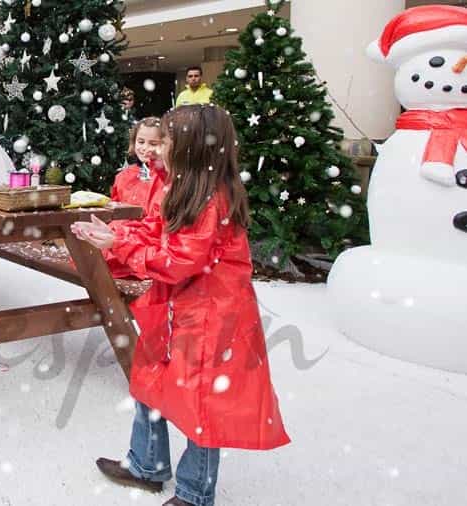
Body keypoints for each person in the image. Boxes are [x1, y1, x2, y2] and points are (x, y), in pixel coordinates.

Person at [72, 105, 290, 506]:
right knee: (150, 381)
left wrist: (121, 245)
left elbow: (178, 261)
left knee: (200, 402)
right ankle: (147, 464)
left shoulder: (210, 201)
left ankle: (194, 492)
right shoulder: (181, 187)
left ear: (191, 147)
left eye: (167, 140)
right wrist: (116, 232)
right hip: (176, 309)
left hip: (211, 317)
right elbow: (156, 228)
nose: (158, 148)